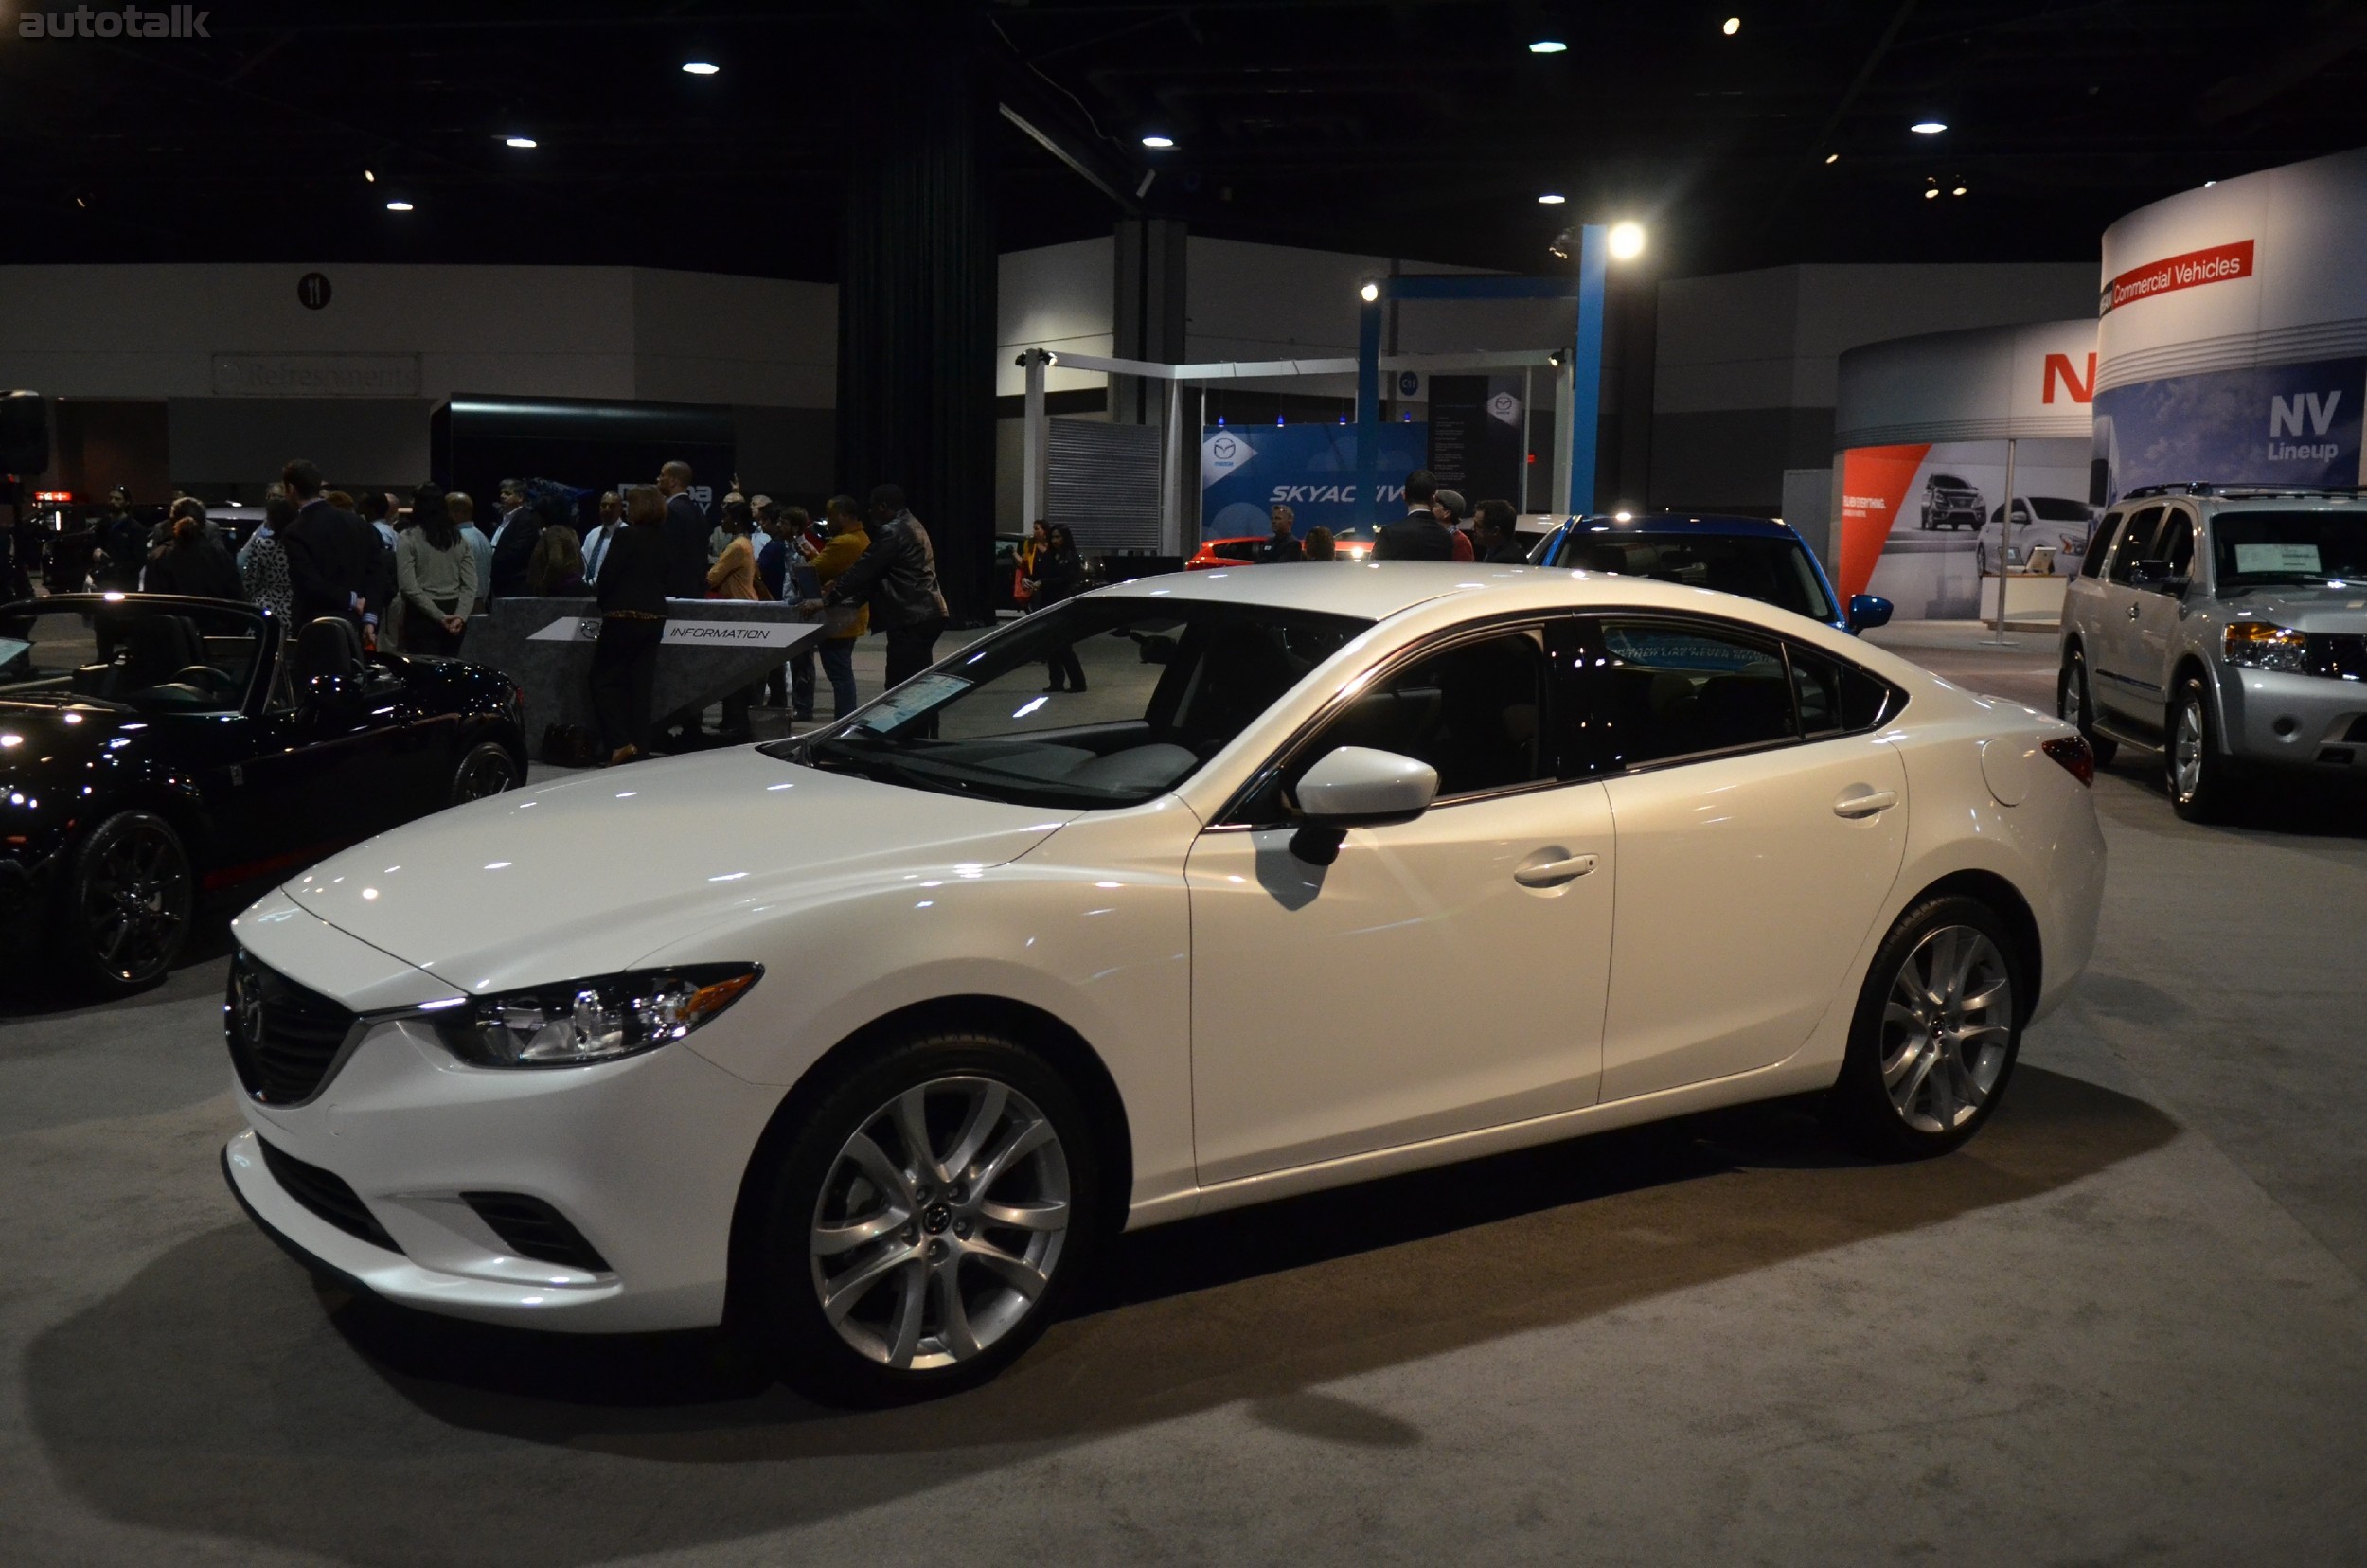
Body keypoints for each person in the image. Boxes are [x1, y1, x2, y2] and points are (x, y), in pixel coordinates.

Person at [824, 483, 948, 689]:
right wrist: (849, 601)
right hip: (927, 613)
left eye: (872, 507)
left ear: (882, 506)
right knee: (918, 682)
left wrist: (829, 599)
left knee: (900, 686)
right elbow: (879, 575)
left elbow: (864, 570)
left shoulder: (892, 531)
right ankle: (925, 723)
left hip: (911, 616)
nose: (869, 512)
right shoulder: (913, 524)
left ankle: (912, 723)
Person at [589, 486, 669, 766]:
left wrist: (602, 601)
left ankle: (619, 743)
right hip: (655, 616)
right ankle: (640, 748)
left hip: (623, 615)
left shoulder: (626, 535)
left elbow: (608, 575)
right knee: (640, 685)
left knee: (602, 681)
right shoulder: (663, 538)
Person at [278, 458, 381, 632]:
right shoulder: (357, 523)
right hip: (357, 624)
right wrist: (370, 617)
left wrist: (352, 599)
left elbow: (309, 583)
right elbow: (376, 571)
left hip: (314, 625)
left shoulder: (295, 531)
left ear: (291, 489)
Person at [804, 494, 869, 720]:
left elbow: (814, 570)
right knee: (842, 672)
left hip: (837, 618)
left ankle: (844, 720)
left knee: (839, 675)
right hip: (853, 615)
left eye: (831, 516)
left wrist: (808, 561)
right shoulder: (861, 538)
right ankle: (845, 719)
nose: (828, 522)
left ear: (843, 516)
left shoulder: (844, 542)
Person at [396, 483, 477, 654]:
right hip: (455, 611)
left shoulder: (407, 538)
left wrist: (439, 616)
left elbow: (408, 586)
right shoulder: (459, 539)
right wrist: (461, 616)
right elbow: (470, 584)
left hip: (421, 616)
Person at [705, 506, 764, 741]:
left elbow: (712, 578)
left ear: (737, 520)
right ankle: (734, 719)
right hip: (743, 609)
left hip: (739, 612)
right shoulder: (745, 543)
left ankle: (736, 721)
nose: (722, 521)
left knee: (735, 672)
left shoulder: (737, 547)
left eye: (725, 517)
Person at [1026, 522, 1090, 692]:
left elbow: (1067, 579)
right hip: (1048, 603)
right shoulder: (1049, 555)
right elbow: (1040, 574)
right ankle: (1056, 682)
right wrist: (1031, 581)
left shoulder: (1071, 557)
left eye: (1058, 537)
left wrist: (1043, 582)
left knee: (1063, 646)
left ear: (1065, 538)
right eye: (1053, 537)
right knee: (1051, 646)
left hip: (1064, 605)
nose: (1054, 540)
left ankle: (1078, 683)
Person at [143, 506, 244, 598]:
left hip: (171, 616)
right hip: (210, 617)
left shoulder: (159, 556)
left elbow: (152, 599)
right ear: (204, 524)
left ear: (171, 523)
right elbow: (236, 596)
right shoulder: (221, 557)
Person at [1374, 469, 1455, 561]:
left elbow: (1376, 570)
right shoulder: (1446, 537)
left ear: (1404, 495)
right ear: (1433, 499)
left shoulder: (1390, 533)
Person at [656, 460, 710, 599]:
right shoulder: (698, 511)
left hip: (674, 594)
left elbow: (667, 554)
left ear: (673, 481)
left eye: (662, 476)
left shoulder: (671, 511)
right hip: (696, 592)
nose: (658, 479)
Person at [240, 494, 296, 620]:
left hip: (265, 607)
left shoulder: (263, 545)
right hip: (292, 608)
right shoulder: (298, 546)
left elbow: (251, 579)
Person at [487, 478, 542, 600]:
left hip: (516, 584)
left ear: (520, 497)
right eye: (501, 493)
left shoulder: (526, 520)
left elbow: (516, 552)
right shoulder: (501, 518)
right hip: (499, 582)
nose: (502, 496)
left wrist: (489, 563)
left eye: (507, 493)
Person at [92, 487, 146, 591]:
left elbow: (138, 560)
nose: (112, 502)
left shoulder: (135, 528)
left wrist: (116, 568)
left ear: (127, 502)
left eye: (117, 499)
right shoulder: (103, 525)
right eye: (110, 498)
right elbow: (95, 545)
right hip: (103, 581)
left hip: (125, 583)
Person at [448, 491, 493, 613]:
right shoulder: (482, 536)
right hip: (480, 603)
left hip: (463, 606)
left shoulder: (458, 539)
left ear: (456, 513)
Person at [525, 522, 587, 596]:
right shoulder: (570, 531)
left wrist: (544, 584)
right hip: (576, 586)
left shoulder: (554, 531)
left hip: (561, 591)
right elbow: (581, 567)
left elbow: (555, 562)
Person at [580, 491, 624, 584]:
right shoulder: (592, 534)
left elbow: (617, 570)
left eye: (612, 506)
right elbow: (582, 564)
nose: (607, 509)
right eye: (604, 505)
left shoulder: (625, 534)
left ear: (621, 509)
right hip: (586, 593)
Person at [1473, 499, 1527, 564]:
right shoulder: (1496, 550)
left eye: (1478, 526)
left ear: (1495, 531)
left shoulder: (1506, 560)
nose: (1473, 529)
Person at [1433, 488, 1476, 562]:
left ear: (1446, 513)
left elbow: (1463, 571)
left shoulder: (1461, 542)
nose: (1429, 508)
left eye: (1434, 505)